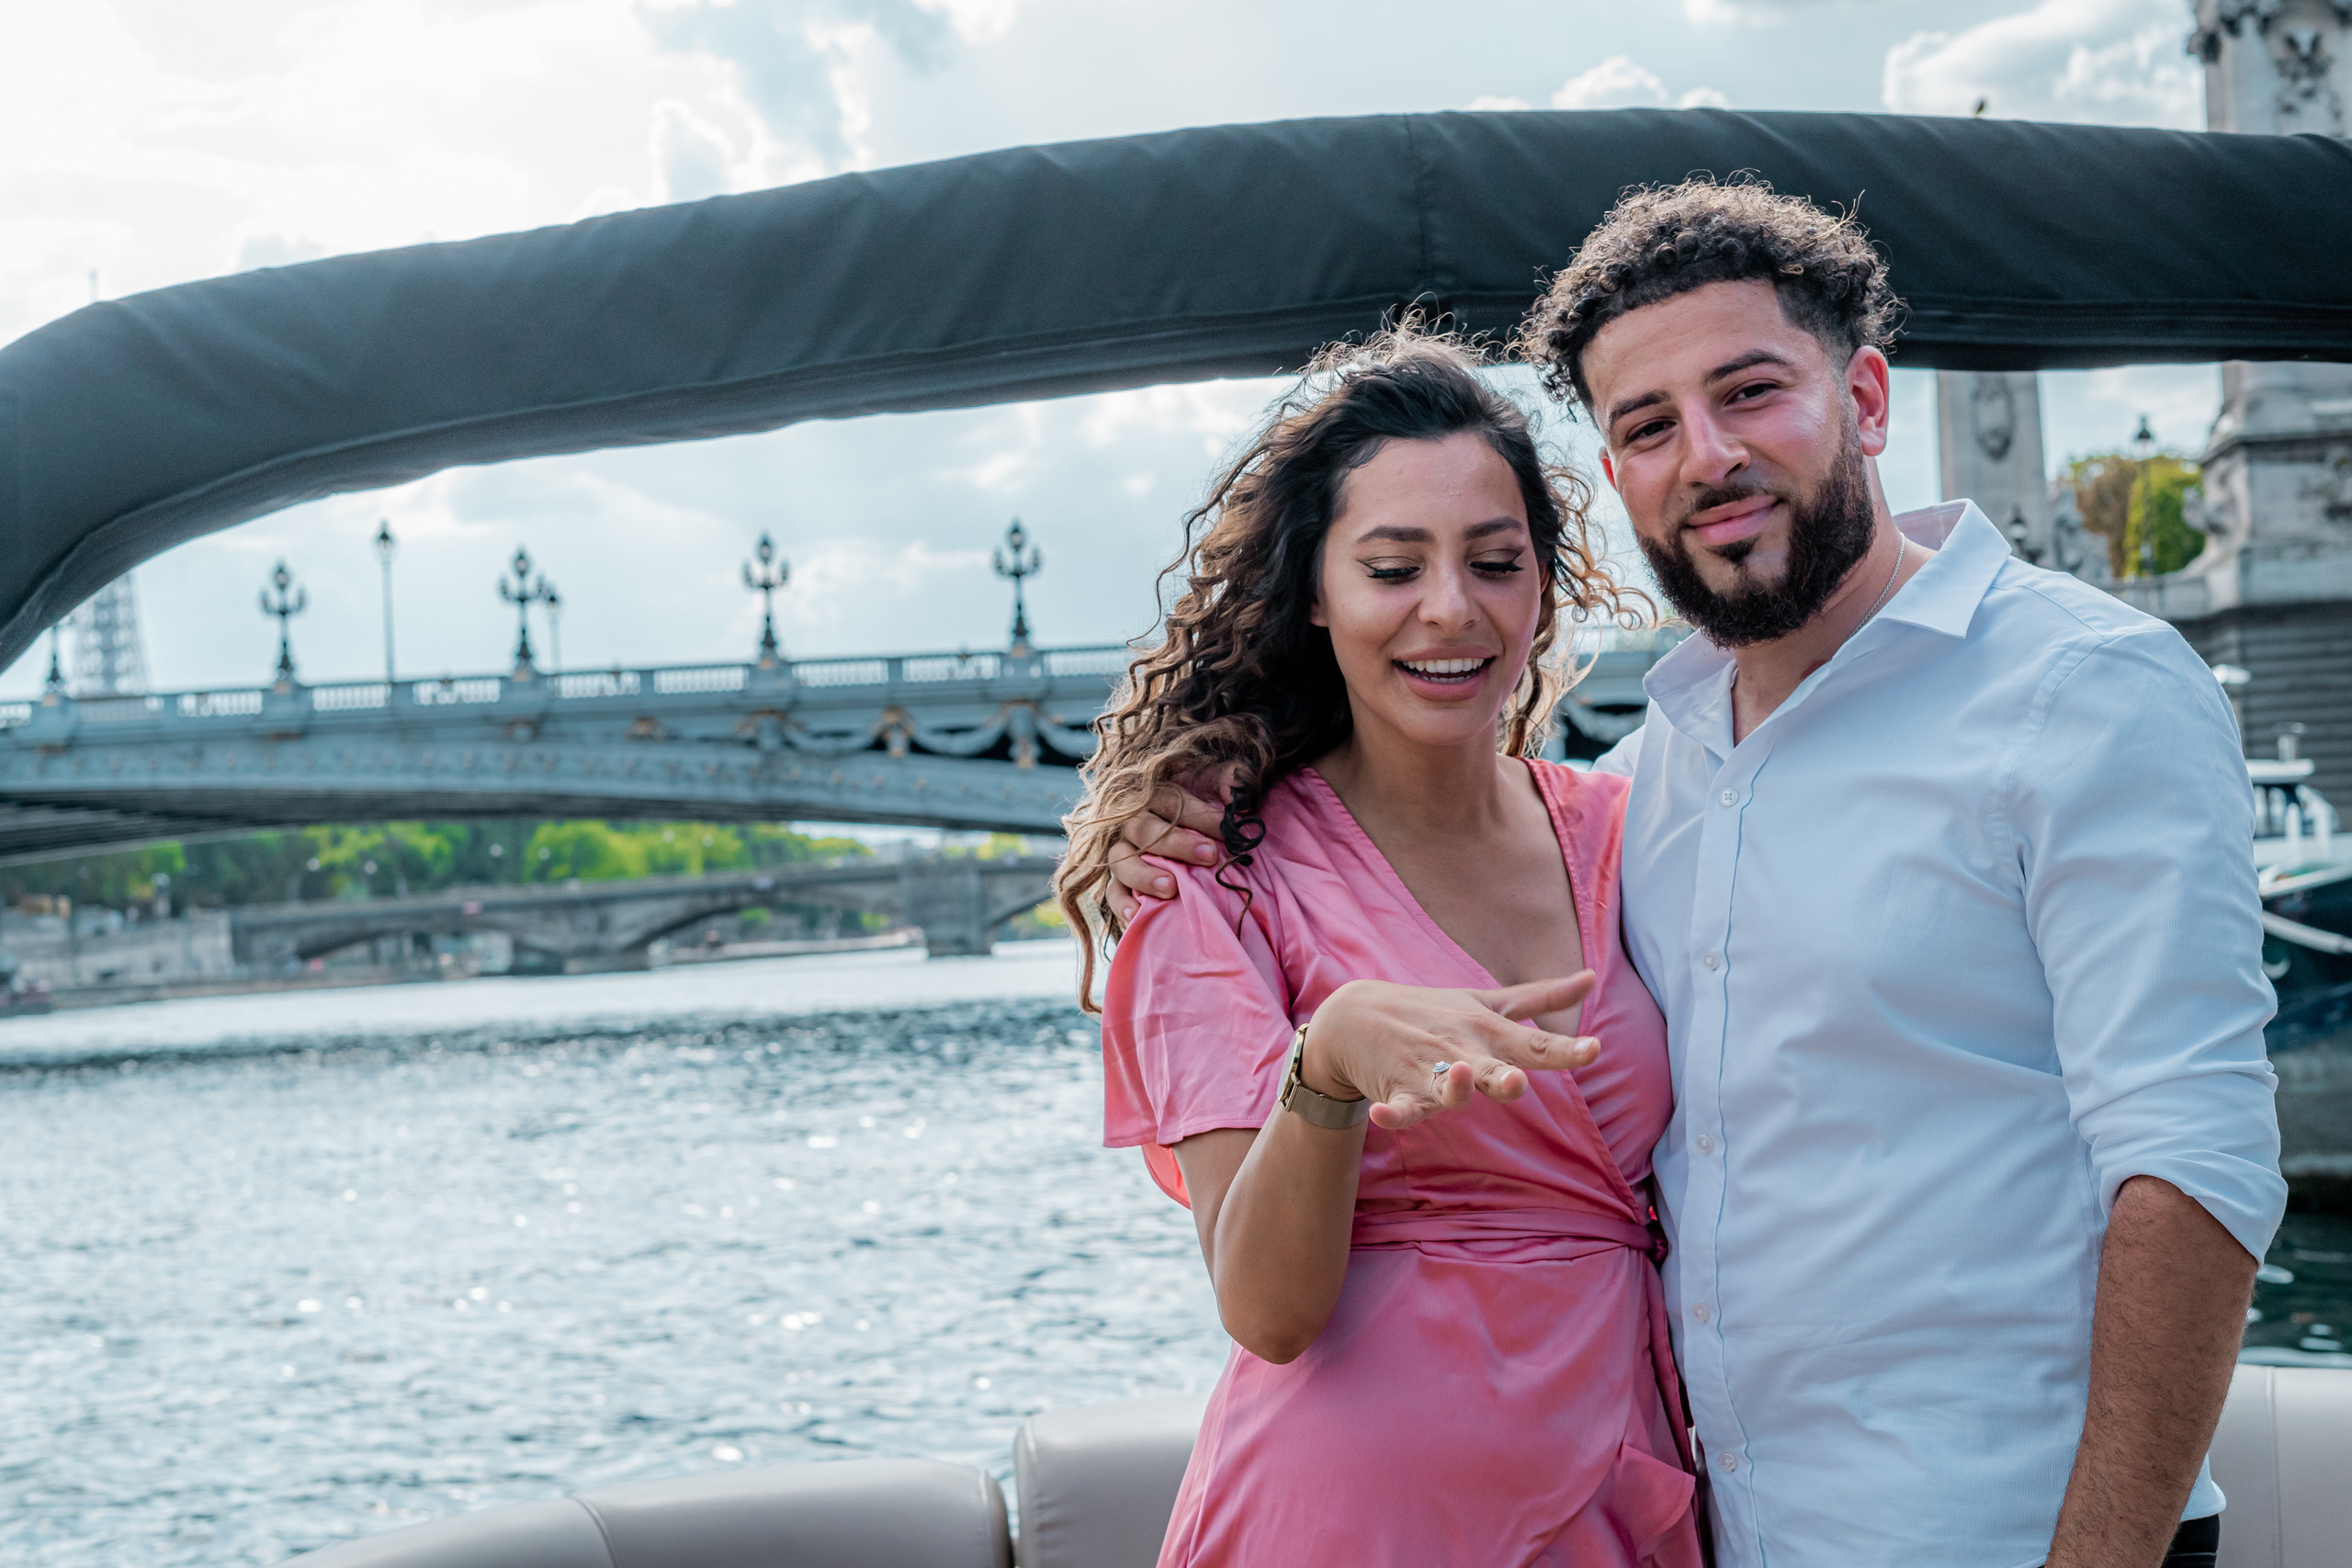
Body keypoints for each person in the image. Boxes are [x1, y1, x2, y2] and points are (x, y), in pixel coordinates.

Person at [1099, 180, 2284, 1568]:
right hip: (1710, 1525)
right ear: (1618, 474)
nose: (1705, 456)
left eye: (1751, 392)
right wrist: (1216, 854)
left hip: (2001, 1529)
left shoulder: (2083, 689)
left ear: (1870, 399)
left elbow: (2192, 1162)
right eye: (1648, 425)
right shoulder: (1669, 770)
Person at [1057, 329, 1703, 1566]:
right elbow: (1267, 1308)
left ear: (1545, 585)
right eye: (1393, 567)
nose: (1450, 610)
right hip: (1348, 1521)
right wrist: (1330, 1062)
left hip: (1622, 1488)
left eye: (1495, 562)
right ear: (1316, 593)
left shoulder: (1643, 836)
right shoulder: (1210, 877)